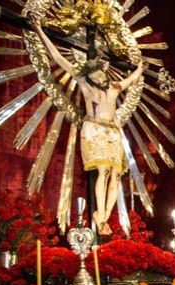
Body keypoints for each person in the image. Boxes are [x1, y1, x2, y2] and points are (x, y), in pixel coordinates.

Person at [33, 20, 146, 236]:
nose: (99, 77)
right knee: (103, 171)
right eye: (95, 75)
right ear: (89, 76)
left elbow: (131, 79)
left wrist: (140, 68)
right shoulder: (85, 87)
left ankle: (104, 218)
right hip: (95, 130)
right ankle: (99, 213)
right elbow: (57, 58)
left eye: (101, 74)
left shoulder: (113, 88)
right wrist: (39, 30)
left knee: (115, 174)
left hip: (112, 131)